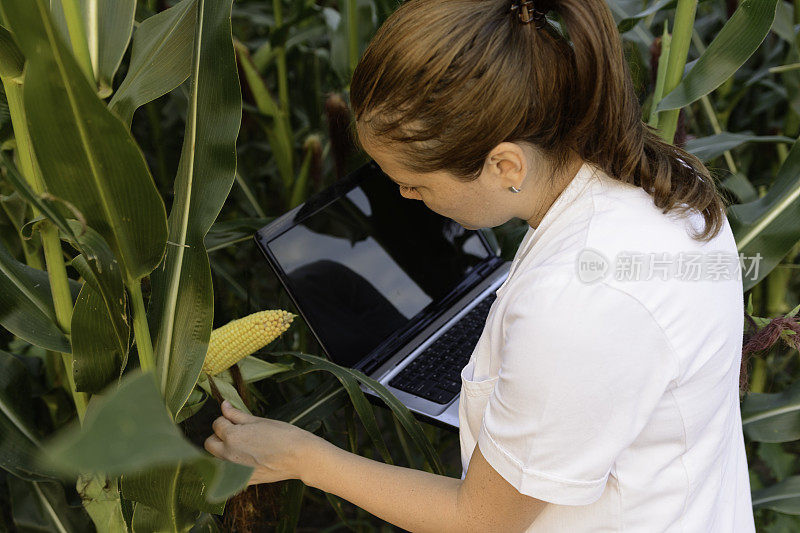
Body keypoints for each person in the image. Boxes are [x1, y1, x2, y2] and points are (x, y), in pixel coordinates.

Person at [204, 0, 756, 530]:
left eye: (416, 183)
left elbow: (481, 522)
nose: (404, 196)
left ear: (505, 164)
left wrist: (304, 455)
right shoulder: (665, 180)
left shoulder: (579, 306)